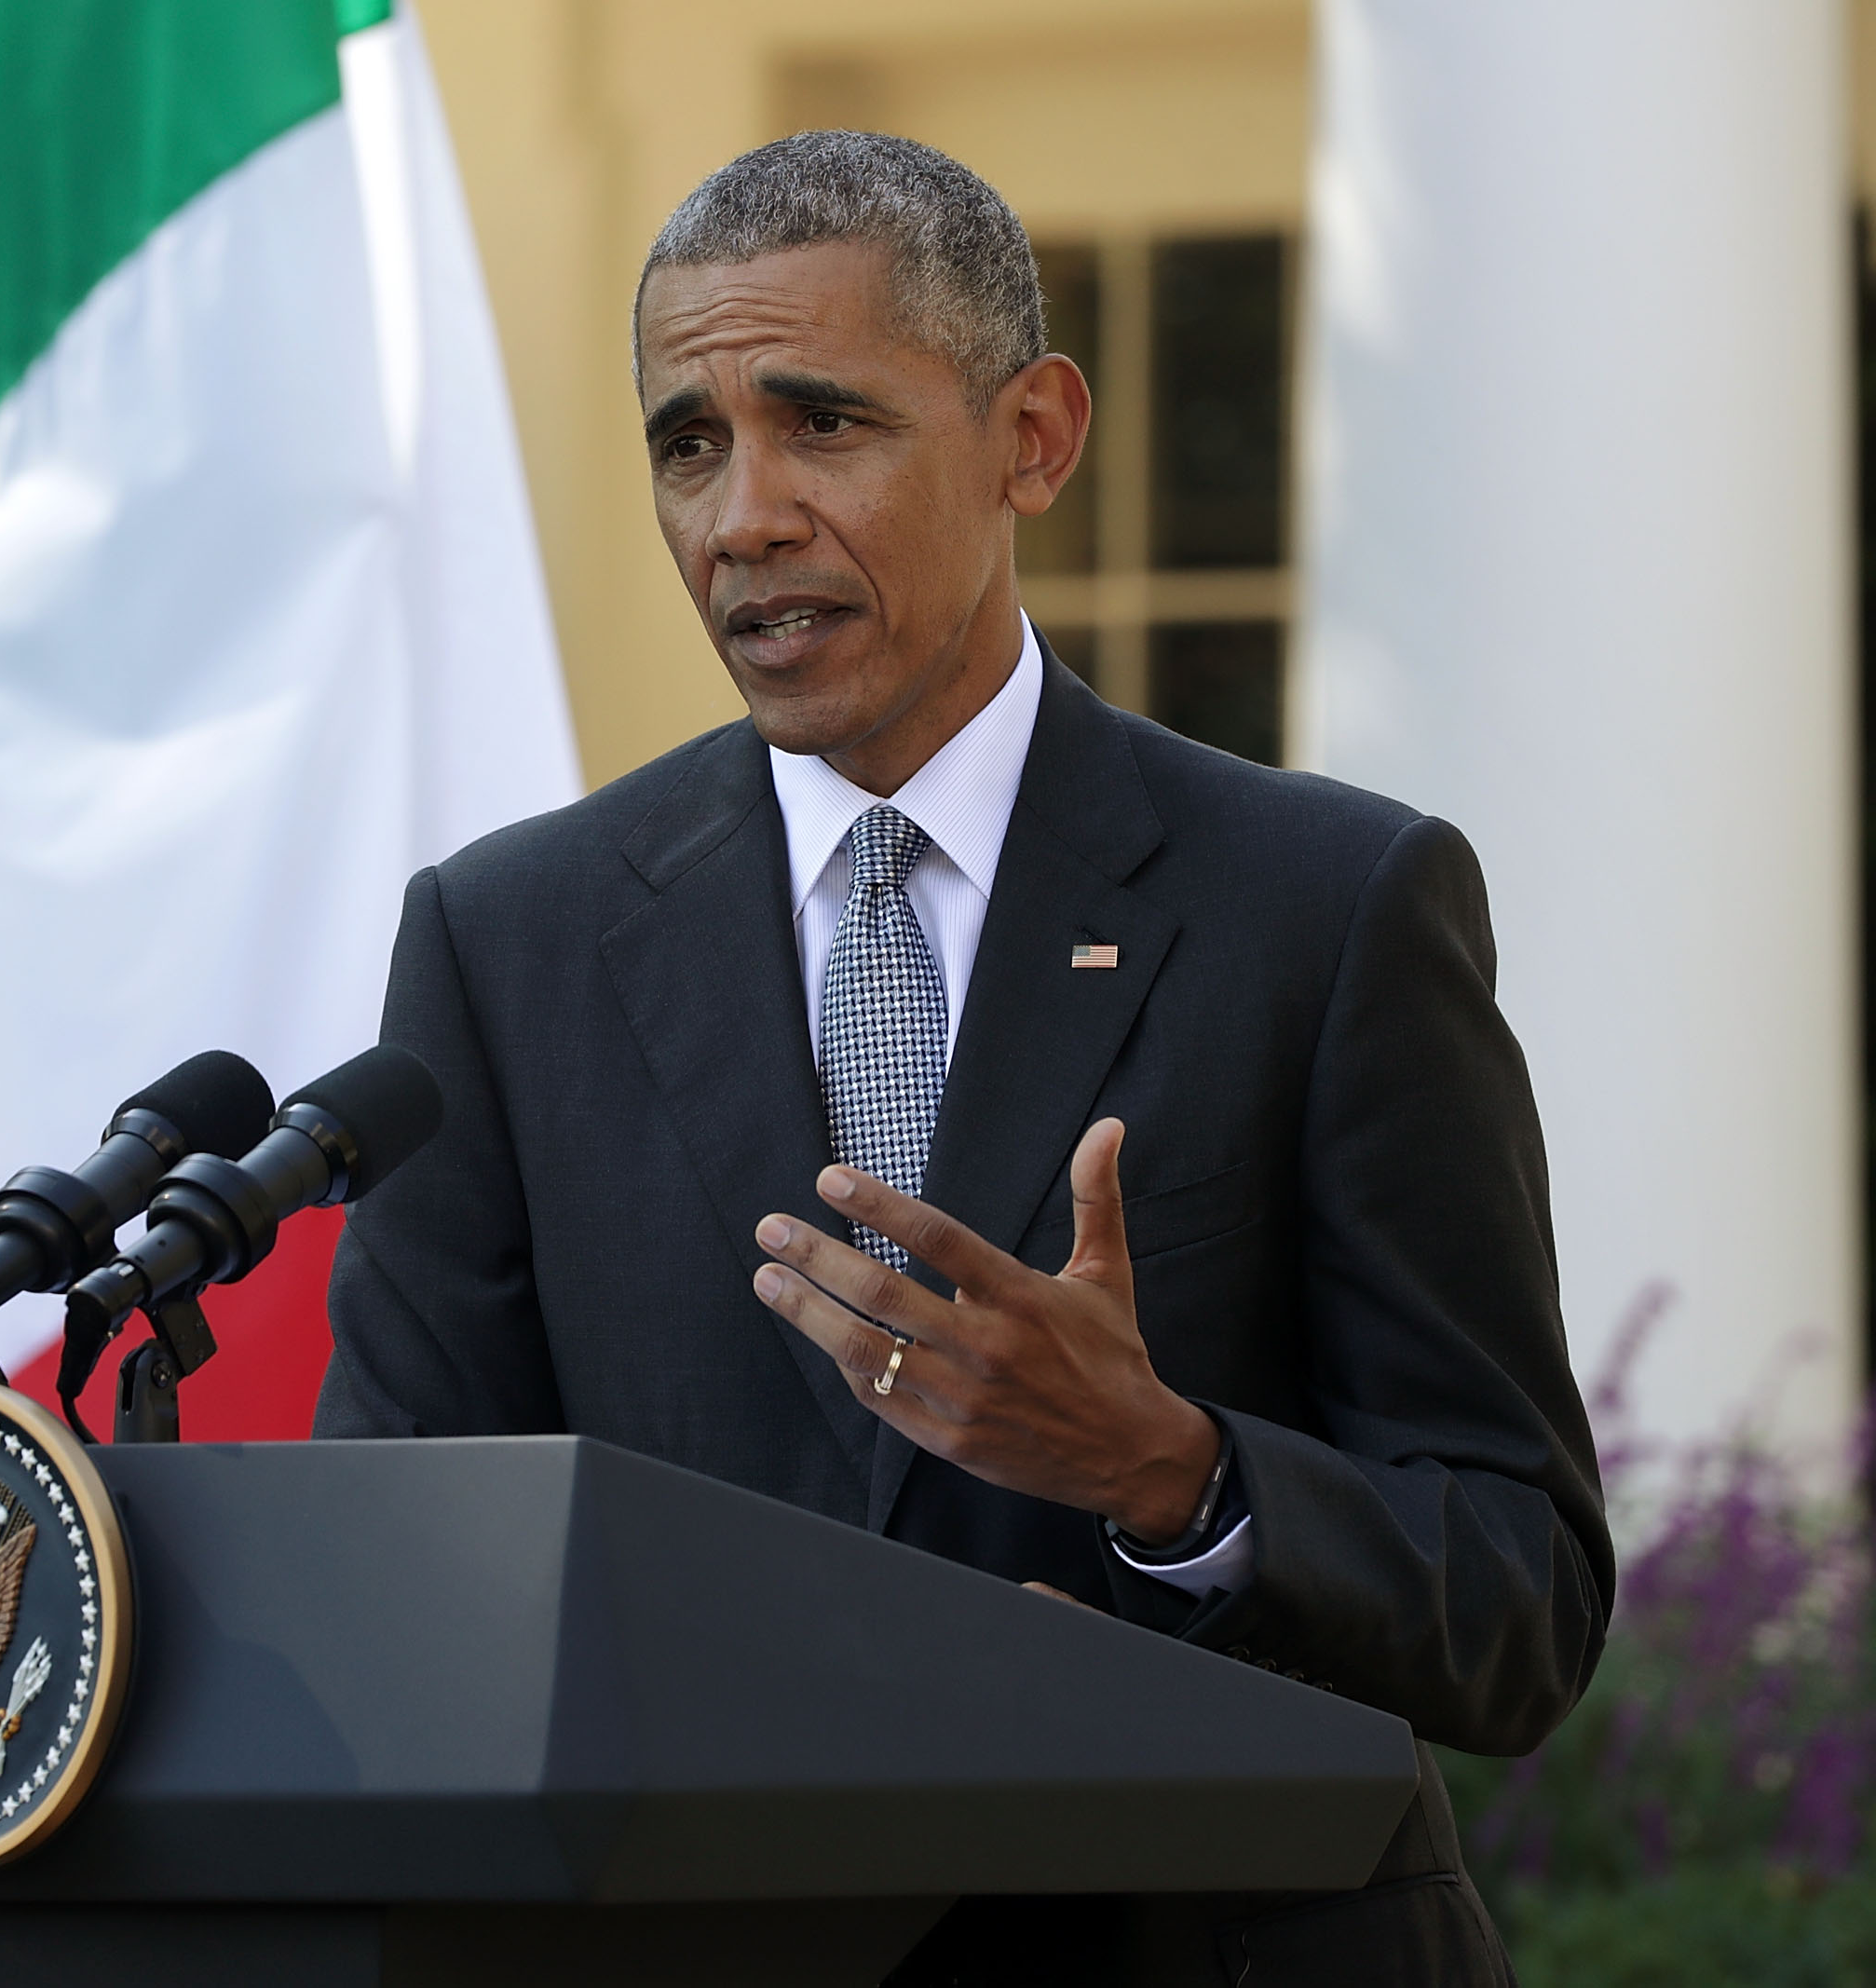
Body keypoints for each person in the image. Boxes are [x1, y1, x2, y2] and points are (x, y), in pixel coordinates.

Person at [314, 129, 1610, 1986]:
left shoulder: (1328, 906)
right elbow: (402, 1573)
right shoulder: (506, 941)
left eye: (821, 421)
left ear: (1035, 437)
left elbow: (1521, 1597)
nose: (744, 515)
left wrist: (1173, 1470)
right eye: (689, 442)